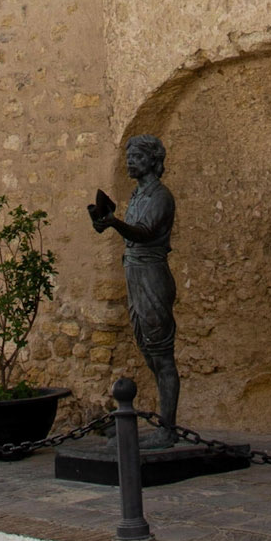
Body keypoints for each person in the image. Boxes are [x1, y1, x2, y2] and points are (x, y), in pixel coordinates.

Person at [87, 134, 180, 441]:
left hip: (152, 274)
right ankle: (166, 421)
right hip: (135, 274)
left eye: (137, 157)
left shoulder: (160, 197)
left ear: (153, 161)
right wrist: (106, 222)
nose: (130, 162)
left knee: (162, 353)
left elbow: (144, 232)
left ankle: (168, 428)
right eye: (129, 157)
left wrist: (115, 224)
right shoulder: (138, 195)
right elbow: (132, 234)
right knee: (149, 351)